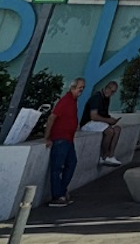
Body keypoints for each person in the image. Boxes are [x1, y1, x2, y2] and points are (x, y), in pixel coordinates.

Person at [44, 78, 85, 207]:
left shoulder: (72, 101)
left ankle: (62, 192)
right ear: (73, 87)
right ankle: (58, 195)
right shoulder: (66, 101)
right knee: (58, 168)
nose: (82, 90)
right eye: (80, 87)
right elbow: (52, 117)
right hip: (61, 138)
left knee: (71, 164)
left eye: (83, 87)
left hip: (68, 138)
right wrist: (47, 137)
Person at [80, 80, 123, 166]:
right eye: (112, 91)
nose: (112, 94)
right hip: (88, 123)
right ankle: (103, 156)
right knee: (109, 131)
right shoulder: (96, 98)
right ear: (107, 88)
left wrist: (112, 120)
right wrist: (108, 121)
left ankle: (110, 156)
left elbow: (104, 114)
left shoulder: (106, 98)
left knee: (117, 129)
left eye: (114, 92)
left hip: (98, 122)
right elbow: (93, 116)